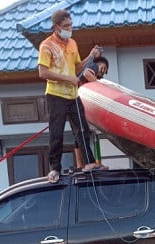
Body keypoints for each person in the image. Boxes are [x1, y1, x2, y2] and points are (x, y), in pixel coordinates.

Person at [37, 9, 105, 183]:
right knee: (57, 133)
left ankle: (90, 163)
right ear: (56, 27)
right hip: (55, 94)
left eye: (70, 25)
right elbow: (42, 72)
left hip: (72, 94)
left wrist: (90, 56)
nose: (69, 28)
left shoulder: (72, 43)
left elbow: (75, 68)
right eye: (66, 26)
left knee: (82, 128)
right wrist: (67, 78)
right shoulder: (47, 45)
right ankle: (54, 168)